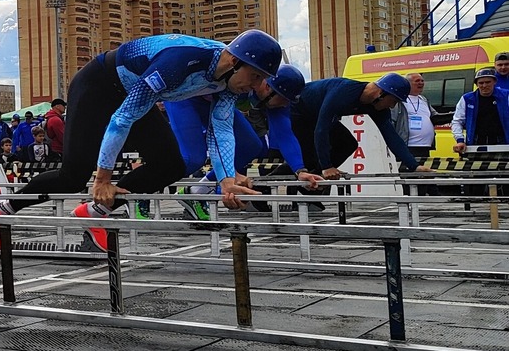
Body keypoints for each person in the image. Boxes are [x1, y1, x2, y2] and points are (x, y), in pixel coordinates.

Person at [0, 30, 283, 250]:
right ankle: (5, 210)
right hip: (98, 85)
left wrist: (227, 179)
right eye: (256, 77)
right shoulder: (179, 61)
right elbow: (122, 119)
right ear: (233, 60)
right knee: (74, 176)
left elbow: (221, 129)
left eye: (262, 80)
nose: (256, 87)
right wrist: (102, 178)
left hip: (134, 94)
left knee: (170, 164)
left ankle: (94, 213)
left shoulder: (230, 80)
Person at [169, 64, 322, 219]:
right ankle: (145, 191)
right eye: (284, 100)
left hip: (218, 106)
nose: (285, 105)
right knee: (193, 158)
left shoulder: (273, 95)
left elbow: (285, 135)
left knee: (252, 146)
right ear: (269, 89)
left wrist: (300, 171)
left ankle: (195, 192)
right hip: (185, 99)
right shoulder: (244, 82)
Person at [289, 73, 432, 182]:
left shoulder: (377, 107)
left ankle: (312, 183)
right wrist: (327, 166)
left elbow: (392, 136)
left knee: (348, 144)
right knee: (309, 157)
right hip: (299, 112)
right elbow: (321, 130)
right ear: (381, 93)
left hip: (318, 114)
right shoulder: (343, 93)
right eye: (394, 101)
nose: (393, 106)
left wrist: (414, 166)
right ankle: (283, 180)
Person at [451, 67, 509, 151]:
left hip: (503, 143)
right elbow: (457, 121)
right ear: (477, 84)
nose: (484, 85)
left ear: (495, 82)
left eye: (488, 82)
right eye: (481, 83)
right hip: (476, 143)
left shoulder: (506, 96)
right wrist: (460, 140)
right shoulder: (467, 99)